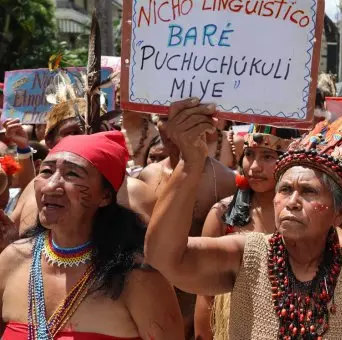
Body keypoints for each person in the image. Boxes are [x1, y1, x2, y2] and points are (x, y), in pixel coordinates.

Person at [145, 98, 342, 339]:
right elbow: (164, 256)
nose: (292, 201)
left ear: (340, 211)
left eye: (308, 192)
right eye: (284, 190)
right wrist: (190, 164)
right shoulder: (247, 254)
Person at [0, 131, 183, 339]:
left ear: (105, 196)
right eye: (46, 171)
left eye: (72, 174)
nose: (51, 186)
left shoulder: (136, 275)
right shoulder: (12, 259)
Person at [138, 113, 237, 339]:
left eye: (184, 117)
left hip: (201, 296)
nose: (174, 129)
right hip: (155, 295)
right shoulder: (149, 176)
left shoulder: (223, 180)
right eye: (165, 118)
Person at [194, 125, 298, 340]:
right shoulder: (222, 215)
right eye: (249, 154)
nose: (255, 167)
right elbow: (205, 295)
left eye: (268, 156)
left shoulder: (301, 217)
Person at [10, 94, 156, 234]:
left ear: (105, 196)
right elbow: (12, 237)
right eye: (73, 132)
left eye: (97, 130)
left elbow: (161, 252)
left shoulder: (135, 192)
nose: (86, 137)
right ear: (49, 141)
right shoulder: (38, 187)